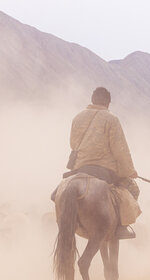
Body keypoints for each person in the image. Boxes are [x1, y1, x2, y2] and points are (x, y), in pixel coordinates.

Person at [61, 87, 140, 239]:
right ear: (108, 103)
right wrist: (130, 171)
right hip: (105, 169)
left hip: (80, 167)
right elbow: (120, 149)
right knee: (132, 189)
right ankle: (120, 227)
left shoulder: (77, 118)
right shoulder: (111, 119)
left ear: (92, 100)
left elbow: (73, 144)